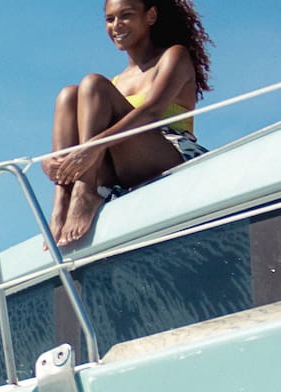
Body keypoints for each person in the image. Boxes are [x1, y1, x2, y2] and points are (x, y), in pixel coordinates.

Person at [48, 0, 214, 248]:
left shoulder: (174, 56)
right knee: (69, 95)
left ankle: (85, 192)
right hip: (116, 162)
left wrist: (92, 147)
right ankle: (63, 198)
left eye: (126, 16)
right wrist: (55, 162)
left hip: (168, 151)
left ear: (151, 16)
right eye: (110, 19)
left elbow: (151, 111)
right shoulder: (116, 83)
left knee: (92, 84)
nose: (116, 26)